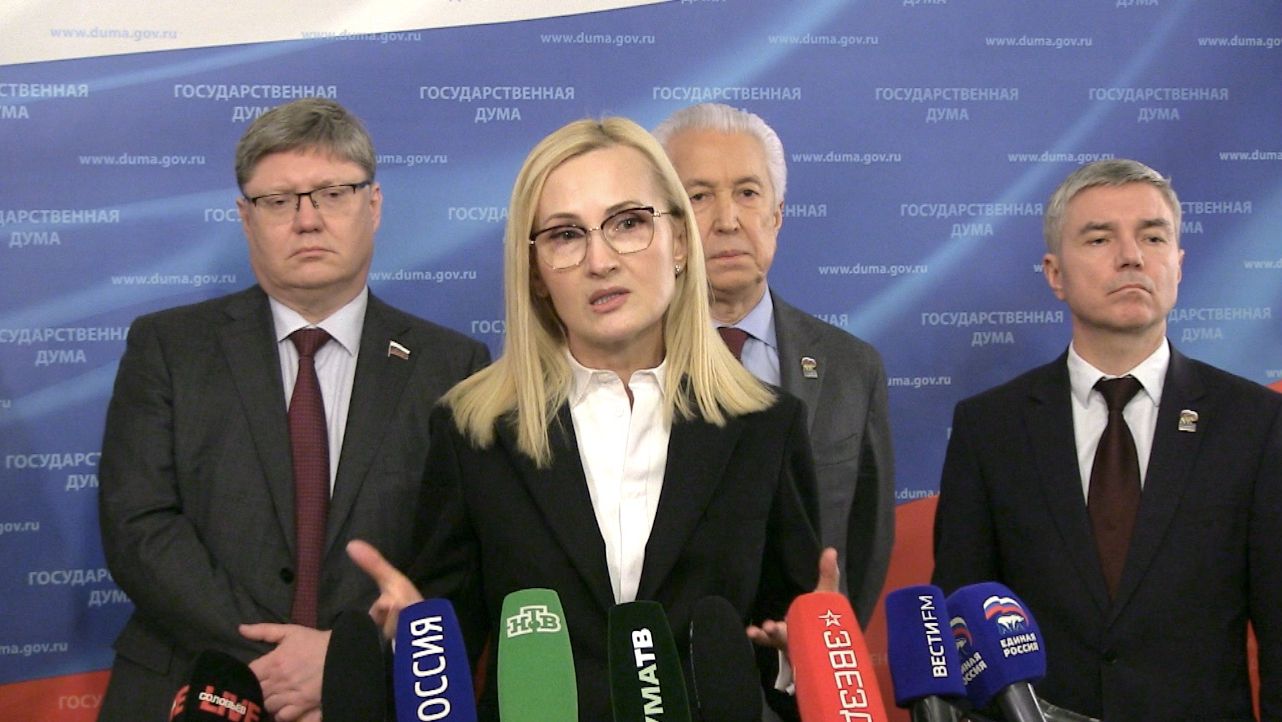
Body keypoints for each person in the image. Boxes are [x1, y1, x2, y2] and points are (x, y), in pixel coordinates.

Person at [349, 116, 826, 720]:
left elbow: (779, 646)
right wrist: (413, 644)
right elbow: (451, 656)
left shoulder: (767, 427)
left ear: (680, 242)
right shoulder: (474, 431)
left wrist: (802, 657)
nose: (600, 260)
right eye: (566, 235)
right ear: (535, 272)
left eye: (628, 223)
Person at [96, 98, 490, 722]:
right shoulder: (168, 347)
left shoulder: (454, 366)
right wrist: (284, 664)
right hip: (190, 685)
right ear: (245, 217)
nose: (307, 220)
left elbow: (461, 561)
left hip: (375, 697)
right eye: (279, 200)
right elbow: (138, 527)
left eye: (332, 193)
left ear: (374, 205)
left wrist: (346, 659)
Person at [931, 159, 1281, 721]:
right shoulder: (990, 428)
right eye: (1099, 239)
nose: (1131, 256)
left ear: (1178, 263)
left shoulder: (1256, 423)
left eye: (1153, 237)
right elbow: (962, 629)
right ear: (1055, 273)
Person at [653, 103, 894, 627]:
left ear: (777, 215)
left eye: (747, 193)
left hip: (800, 665)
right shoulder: (628, 361)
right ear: (666, 223)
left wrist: (814, 650)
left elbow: (864, 548)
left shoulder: (851, 368)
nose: (728, 220)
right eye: (699, 197)